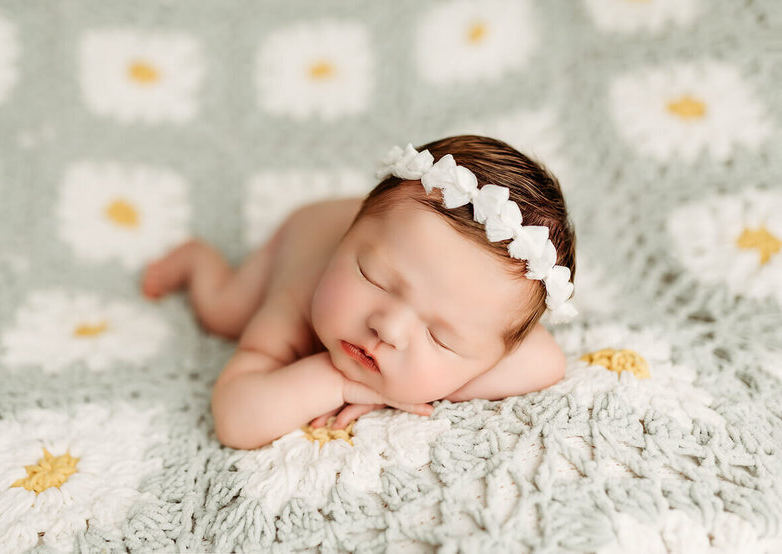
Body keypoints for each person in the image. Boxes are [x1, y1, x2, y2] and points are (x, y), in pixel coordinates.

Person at [142, 135, 577, 450]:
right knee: (224, 314)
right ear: (347, 240)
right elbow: (235, 419)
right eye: (374, 278)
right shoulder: (300, 296)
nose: (388, 327)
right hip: (304, 232)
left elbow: (546, 361)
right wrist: (339, 383)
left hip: (402, 236)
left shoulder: (481, 314)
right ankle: (199, 260)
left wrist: (422, 383)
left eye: (441, 338)